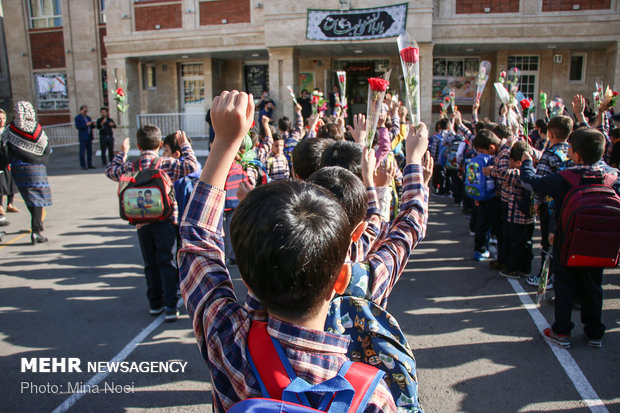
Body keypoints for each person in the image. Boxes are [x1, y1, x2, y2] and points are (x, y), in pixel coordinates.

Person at [178, 90, 398, 412]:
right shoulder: (372, 397)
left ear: (248, 284)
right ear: (341, 280)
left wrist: (225, 143)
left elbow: (197, 242)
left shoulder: (227, 342)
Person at [520, 128, 620, 348]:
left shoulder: (564, 178)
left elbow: (531, 181)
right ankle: (595, 332)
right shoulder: (612, 177)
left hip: (567, 242)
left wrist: (527, 161)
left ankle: (562, 331)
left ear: (575, 154)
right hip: (600, 245)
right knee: (594, 287)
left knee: (564, 287)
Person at [105, 124, 198, 322]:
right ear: (160, 144)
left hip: (141, 221)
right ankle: (170, 306)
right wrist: (184, 144)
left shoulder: (132, 165)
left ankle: (154, 303)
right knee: (166, 261)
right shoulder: (165, 163)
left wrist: (121, 153)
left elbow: (110, 171)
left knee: (150, 263)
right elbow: (192, 165)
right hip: (165, 219)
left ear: (138, 146)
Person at [525, 115, 573, 289]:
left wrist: (536, 202)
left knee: (547, 243)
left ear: (550, 134)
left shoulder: (549, 154)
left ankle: (545, 276)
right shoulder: (570, 152)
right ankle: (557, 275)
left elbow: (540, 183)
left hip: (549, 205)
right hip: (566, 205)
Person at [1, 101, 52, 244]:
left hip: (18, 169)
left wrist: (5, 164)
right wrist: (40, 159)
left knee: (29, 198)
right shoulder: (37, 129)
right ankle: (36, 230)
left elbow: (4, 150)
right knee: (38, 199)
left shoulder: (10, 129)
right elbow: (46, 148)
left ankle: (36, 226)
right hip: (36, 169)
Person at [484, 141, 535, 278]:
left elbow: (503, 173)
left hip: (517, 216)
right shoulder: (531, 171)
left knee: (516, 244)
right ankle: (525, 268)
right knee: (525, 243)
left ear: (518, 162)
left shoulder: (518, 174)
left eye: (510, 161)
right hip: (528, 216)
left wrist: (490, 171)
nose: (509, 163)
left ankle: (512, 269)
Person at [0, 108, 20, 219]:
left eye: (3, 118)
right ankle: (0, 206)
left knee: (11, 183)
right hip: (0, 162)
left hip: (9, 161)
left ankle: (10, 204)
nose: (1, 120)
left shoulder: (8, 131)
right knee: (1, 184)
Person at [75, 105, 95, 170]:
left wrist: (93, 125)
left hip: (89, 137)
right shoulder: (78, 118)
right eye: (84, 111)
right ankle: (83, 165)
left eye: (86, 111)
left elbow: (91, 126)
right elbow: (78, 126)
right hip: (83, 137)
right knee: (82, 152)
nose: (85, 112)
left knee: (90, 151)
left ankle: (90, 164)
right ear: (81, 110)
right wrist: (86, 124)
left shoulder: (88, 117)